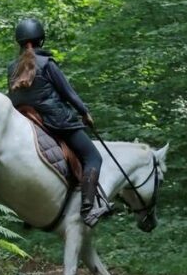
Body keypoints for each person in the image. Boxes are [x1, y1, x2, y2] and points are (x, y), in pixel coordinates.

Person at [7, 17, 111, 227]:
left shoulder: (12, 67)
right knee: (93, 157)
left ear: (19, 42)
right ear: (41, 40)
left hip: (27, 118)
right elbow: (68, 93)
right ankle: (88, 208)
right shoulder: (47, 63)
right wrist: (84, 112)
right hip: (55, 120)